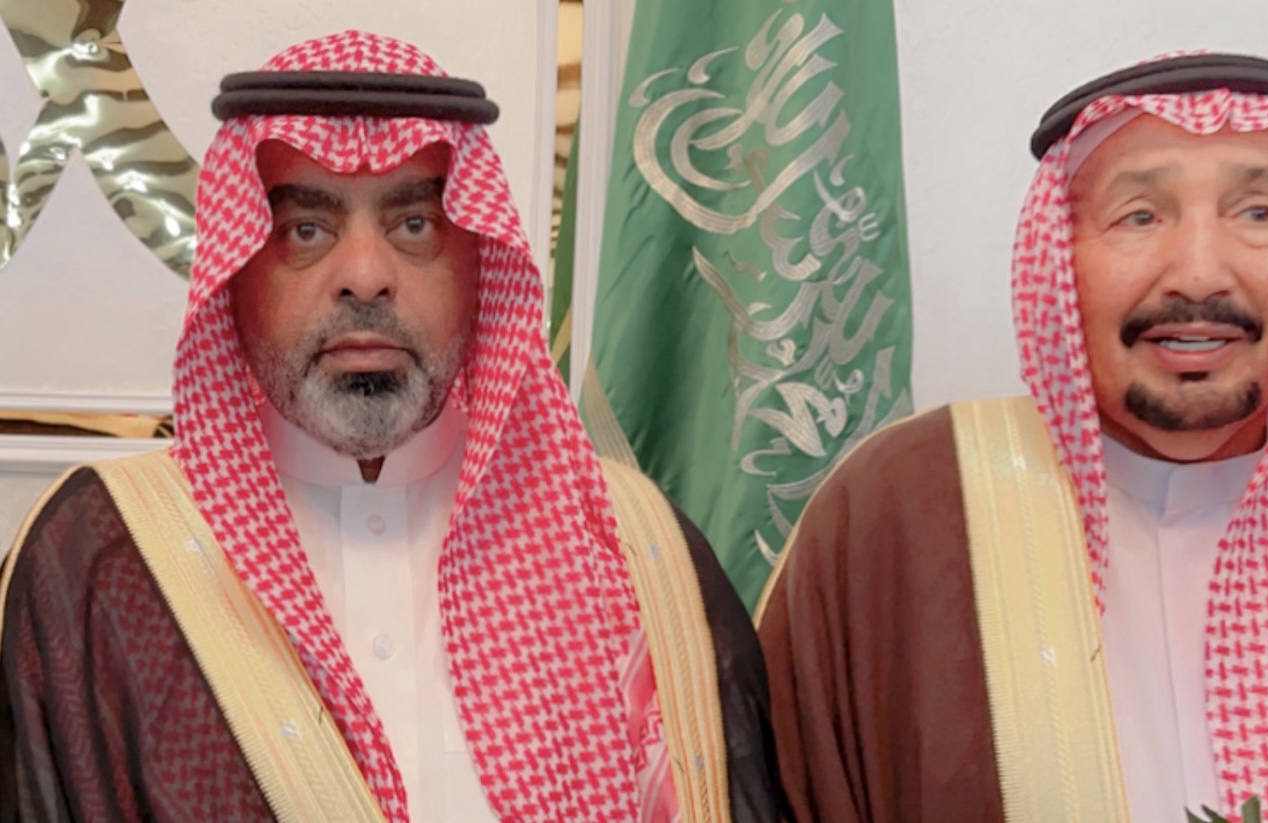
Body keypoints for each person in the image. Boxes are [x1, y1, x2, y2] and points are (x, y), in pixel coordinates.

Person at [1, 30, 783, 823]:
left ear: (478, 263)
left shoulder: (630, 549)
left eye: (414, 225)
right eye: (306, 230)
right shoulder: (100, 559)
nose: (367, 276)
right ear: (236, 271)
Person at [757, 52, 1268, 822]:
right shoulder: (910, 506)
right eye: (1138, 216)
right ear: (1060, 258)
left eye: (1256, 212)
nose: (1200, 273)